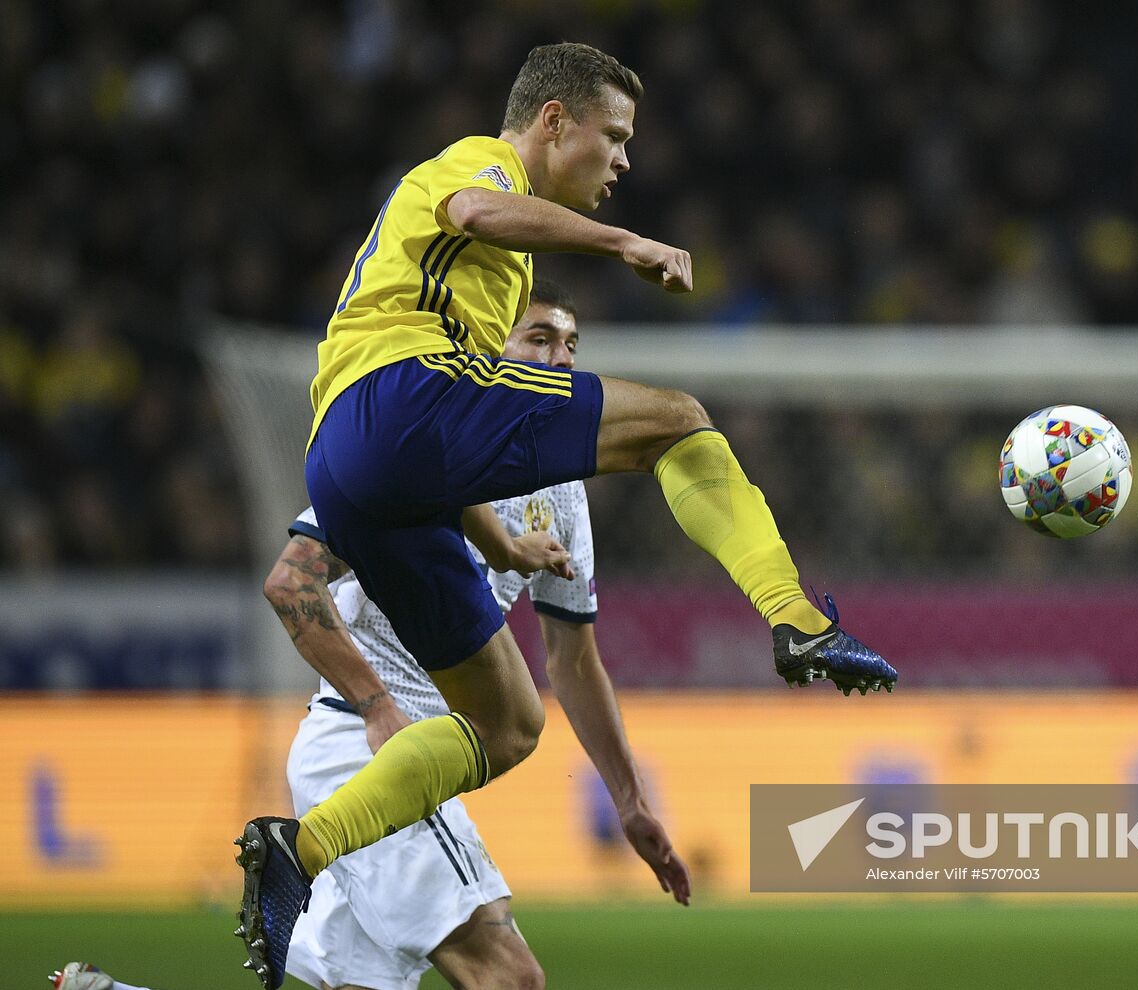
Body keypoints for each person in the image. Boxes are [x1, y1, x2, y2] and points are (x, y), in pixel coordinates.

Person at [238, 42, 895, 988]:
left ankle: (292, 852)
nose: (623, 162)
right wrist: (626, 244)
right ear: (555, 122)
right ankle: (798, 620)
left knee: (507, 722)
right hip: (398, 399)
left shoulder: (490, 287)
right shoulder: (481, 163)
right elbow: (476, 208)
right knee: (677, 420)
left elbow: (445, 476)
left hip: (367, 462)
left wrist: (500, 540)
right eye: (614, 137)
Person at [59, 284, 690, 990]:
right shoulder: (418, 449)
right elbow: (292, 584)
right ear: (490, 352)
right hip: (364, 750)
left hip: (407, 760)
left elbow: (573, 660)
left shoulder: (561, 493)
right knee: (510, 979)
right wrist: (375, 705)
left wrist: (631, 801)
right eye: (539, 339)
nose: (561, 359)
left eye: (572, 346)